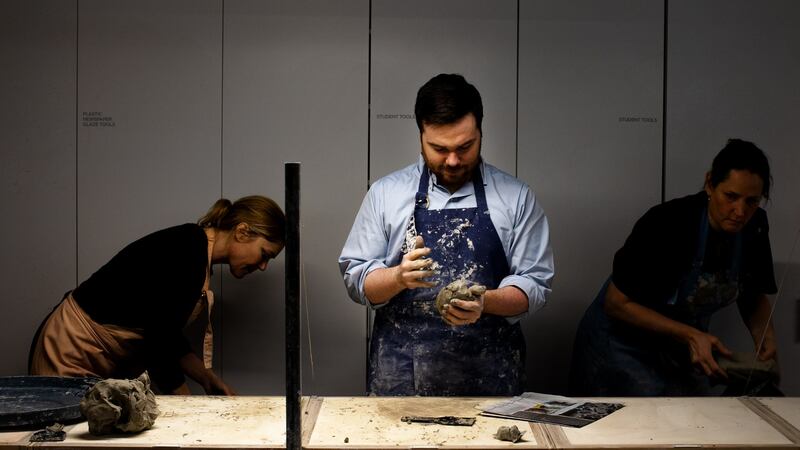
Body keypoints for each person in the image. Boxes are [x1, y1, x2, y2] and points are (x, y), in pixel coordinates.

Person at [339, 73, 554, 396]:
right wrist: (397, 277)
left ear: (481, 132)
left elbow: (535, 284)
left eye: (465, 147)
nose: (453, 160)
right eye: (438, 148)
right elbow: (357, 281)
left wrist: (485, 302)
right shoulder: (386, 194)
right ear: (420, 136)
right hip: (401, 379)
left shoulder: (515, 197)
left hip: (489, 377)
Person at [569, 139, 778, 396]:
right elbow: (616, 303)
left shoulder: (754, 228)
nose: (740, 211)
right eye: (731, 197)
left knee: (689, 423)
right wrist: (691, 335)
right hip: (621, 345)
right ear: (710, 184)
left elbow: (753, 294)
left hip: (678, 346)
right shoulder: (669, 223)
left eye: (752, 201)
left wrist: (765, 337)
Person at [29, 195, 285, 395]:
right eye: (264, 254)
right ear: (242, 231)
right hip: (72, 348)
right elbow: (158, 340)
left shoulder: (195, 252)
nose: (263, 266)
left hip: (99, 356)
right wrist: (185, 404)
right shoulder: (187, 251)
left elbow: (167, 334)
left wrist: (208, 379)